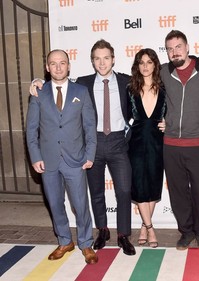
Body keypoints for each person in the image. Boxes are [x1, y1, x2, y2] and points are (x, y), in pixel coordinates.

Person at [29, 39, 136, 256]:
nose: (102, 62)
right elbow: (33, 127)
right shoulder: (79, 84)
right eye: (97, 58)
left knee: (121, 191)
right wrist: (36, 81)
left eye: (106, 58)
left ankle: (115, 237)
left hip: (110, 145)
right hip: (70, 152)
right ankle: (89, 235)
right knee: (81, 196)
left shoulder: (126, 81)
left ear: (113, 59)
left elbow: (148, 89)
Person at [26, 50, 98, 264]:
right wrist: (35, 156)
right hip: (47, 161)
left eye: (62, 63)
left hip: (76, 160)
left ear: (69, 66)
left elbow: (90, 126)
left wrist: (90, 153)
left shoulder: (81, 91)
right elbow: (31, 130)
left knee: (80, 205)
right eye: (53, 63)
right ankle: (65, 240)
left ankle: (86, 244)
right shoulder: (39, 92)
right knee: (55, 204)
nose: (58, 67)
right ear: (47, 68)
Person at [161, 30, 199, 250]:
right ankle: (185, 232)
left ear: (187, 47)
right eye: (169, 49)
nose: (174, 52)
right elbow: (142, 87)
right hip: (171, 145)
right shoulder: (164, 72)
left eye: (178, 47)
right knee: (178, 193)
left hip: (198, 144)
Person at [127, 48, 166, 248]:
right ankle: (151, 229)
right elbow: (124, 116)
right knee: (140, 187)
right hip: (136, 142)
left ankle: (143, 225)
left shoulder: (164, 88)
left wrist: (169, 122)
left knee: (153, 187)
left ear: (155, 65)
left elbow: (173, 112)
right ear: (137, 65)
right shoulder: (130, 88)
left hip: (158, 142)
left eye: (149, 62)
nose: (145, 66)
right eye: (141, 62)